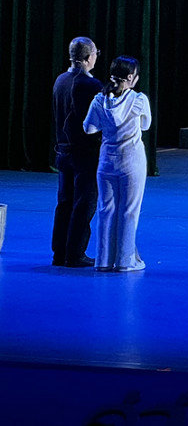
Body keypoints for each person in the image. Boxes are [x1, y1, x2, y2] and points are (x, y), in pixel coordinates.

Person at [84, 56, 152, 273]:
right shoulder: (139, 100)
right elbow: (146, 125)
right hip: (132, 160)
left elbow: (89, 128)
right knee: (129, 211)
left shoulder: (99, 99)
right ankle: (125, 261)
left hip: (107, 161)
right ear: (131, 77)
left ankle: (103, 260)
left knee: (106, 210)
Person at [52, 35, 103, 267]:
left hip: (63, 151)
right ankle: (75, 253)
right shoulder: (90, 85)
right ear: (89, 57)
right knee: (84, 204)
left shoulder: (60, 80)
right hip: (84, 154)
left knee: (65, 202)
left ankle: (59, 252)